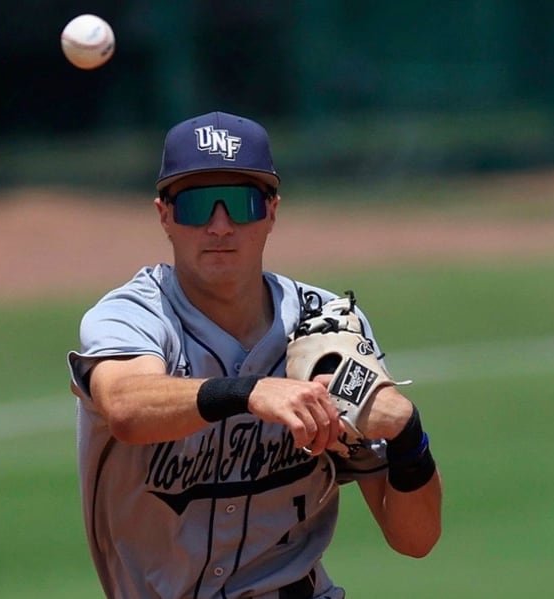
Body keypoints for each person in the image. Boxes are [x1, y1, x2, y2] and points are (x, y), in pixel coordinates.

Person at [67, 111, 442, 599]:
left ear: (270, 212)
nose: (219, 226)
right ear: (164, 215)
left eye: (242, 204)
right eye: (197, 205)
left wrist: (407, 434)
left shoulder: (322, 326)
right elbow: (125, 407)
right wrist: (249, 392)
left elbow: (414, 538)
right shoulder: (133, 314)